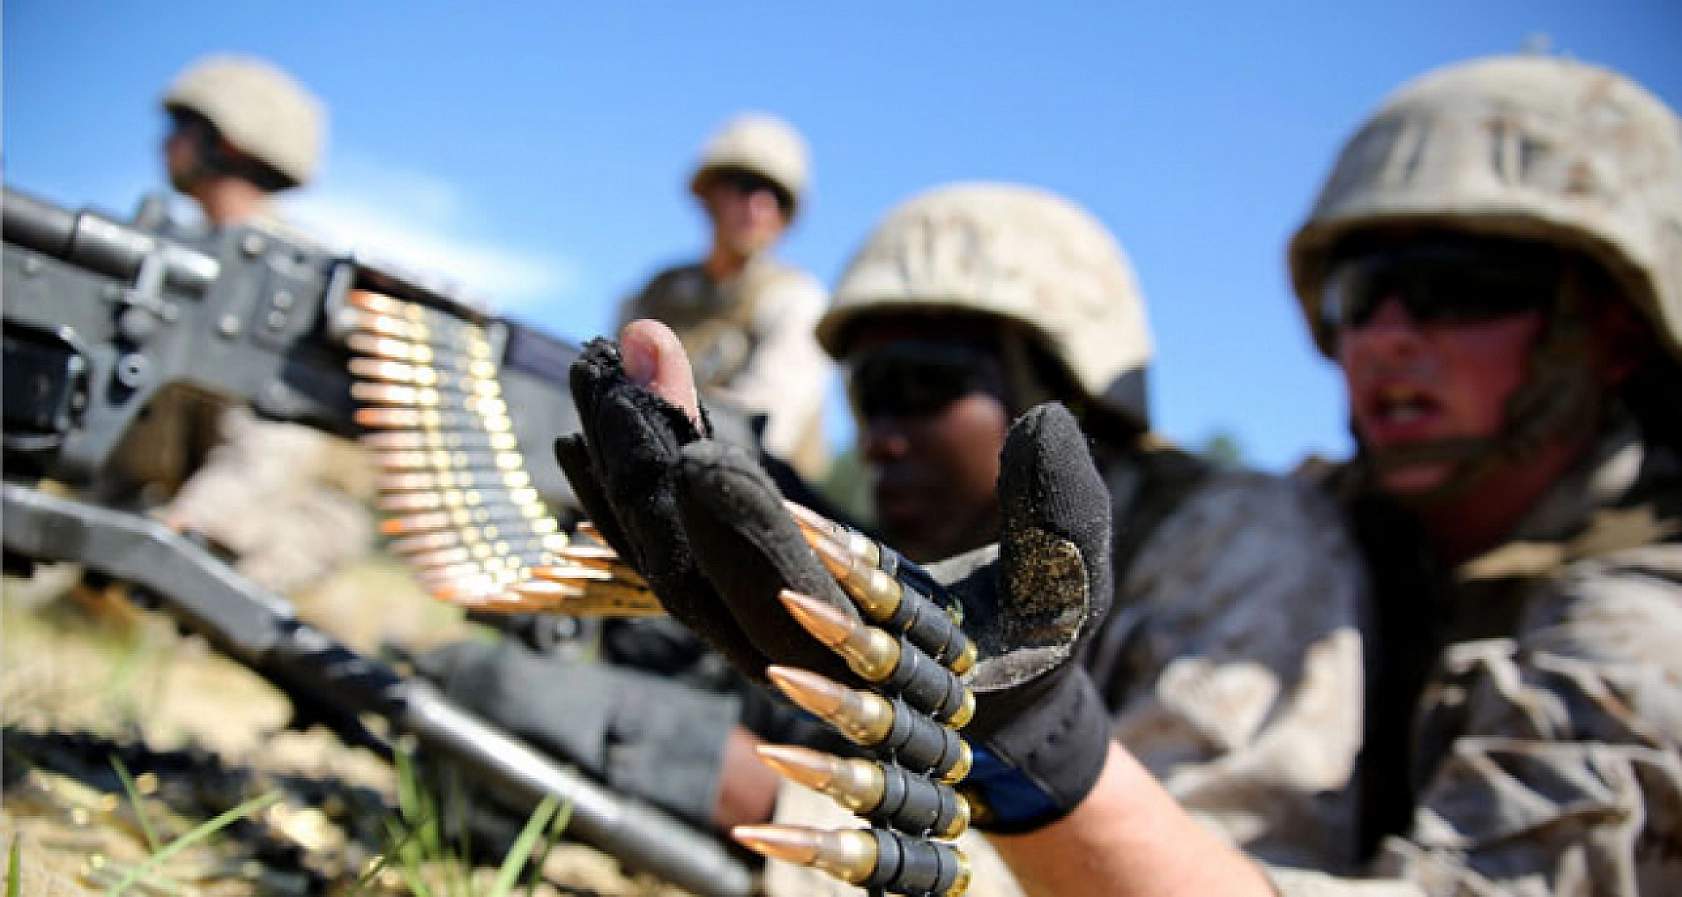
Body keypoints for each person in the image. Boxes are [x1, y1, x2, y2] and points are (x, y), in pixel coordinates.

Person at [555, 53, 1682, 897]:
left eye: (1448, 287)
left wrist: (757, 780)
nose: (1384, 336)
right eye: (1357, 298)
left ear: (1610, 333)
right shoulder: (1357, 526)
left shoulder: (1637, 633)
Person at [556, 182, 1372, 895]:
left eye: (919, 384)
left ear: (1053, 393)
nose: (878, 438)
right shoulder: (923, 560)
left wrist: (751, 793)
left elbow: (1206, 874)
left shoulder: (1240, 542)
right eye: (868, 396)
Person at [145, 54, 376, 597]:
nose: (164, 144)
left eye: (181, 128)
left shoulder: (302, 277)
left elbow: (280, 435)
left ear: (228, 143)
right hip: (161, 491)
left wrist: (184, 531)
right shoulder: (181, 249)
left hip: (258, 519)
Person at [619, 112, 833, 481]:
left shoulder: (794, 299)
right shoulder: (656, 294)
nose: (759, 208)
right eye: (745, 185)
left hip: (757, 499)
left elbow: (765, 431)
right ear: (711, 192)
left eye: (777, 198)